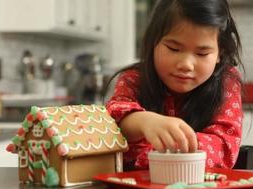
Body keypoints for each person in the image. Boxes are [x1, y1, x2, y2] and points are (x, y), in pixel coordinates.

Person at [105, 0, 244, 170]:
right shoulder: (133, 79)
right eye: (173, 49)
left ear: (219, 54)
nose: (186, 64)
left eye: (202, 53)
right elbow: (113, 121)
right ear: (153, 43)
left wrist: (163, 147)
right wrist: (145, 122)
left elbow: (224, 148)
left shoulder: (226, 84)